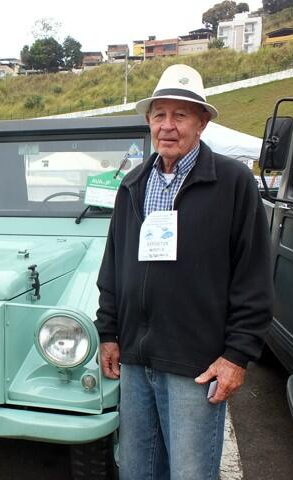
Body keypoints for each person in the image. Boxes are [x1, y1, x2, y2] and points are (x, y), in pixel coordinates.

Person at [95, 64, 273, 480]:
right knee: (137, 471)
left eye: (181, 115)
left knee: (191, 473)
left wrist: (237, 355)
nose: (168, 126)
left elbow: (253, 274)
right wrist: (108, 332)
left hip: (197, 363)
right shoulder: (133, 184)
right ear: (148, 121)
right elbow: (114, 264)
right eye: (160, 115)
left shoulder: (232, 182)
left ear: (202, 123)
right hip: (137, 359)